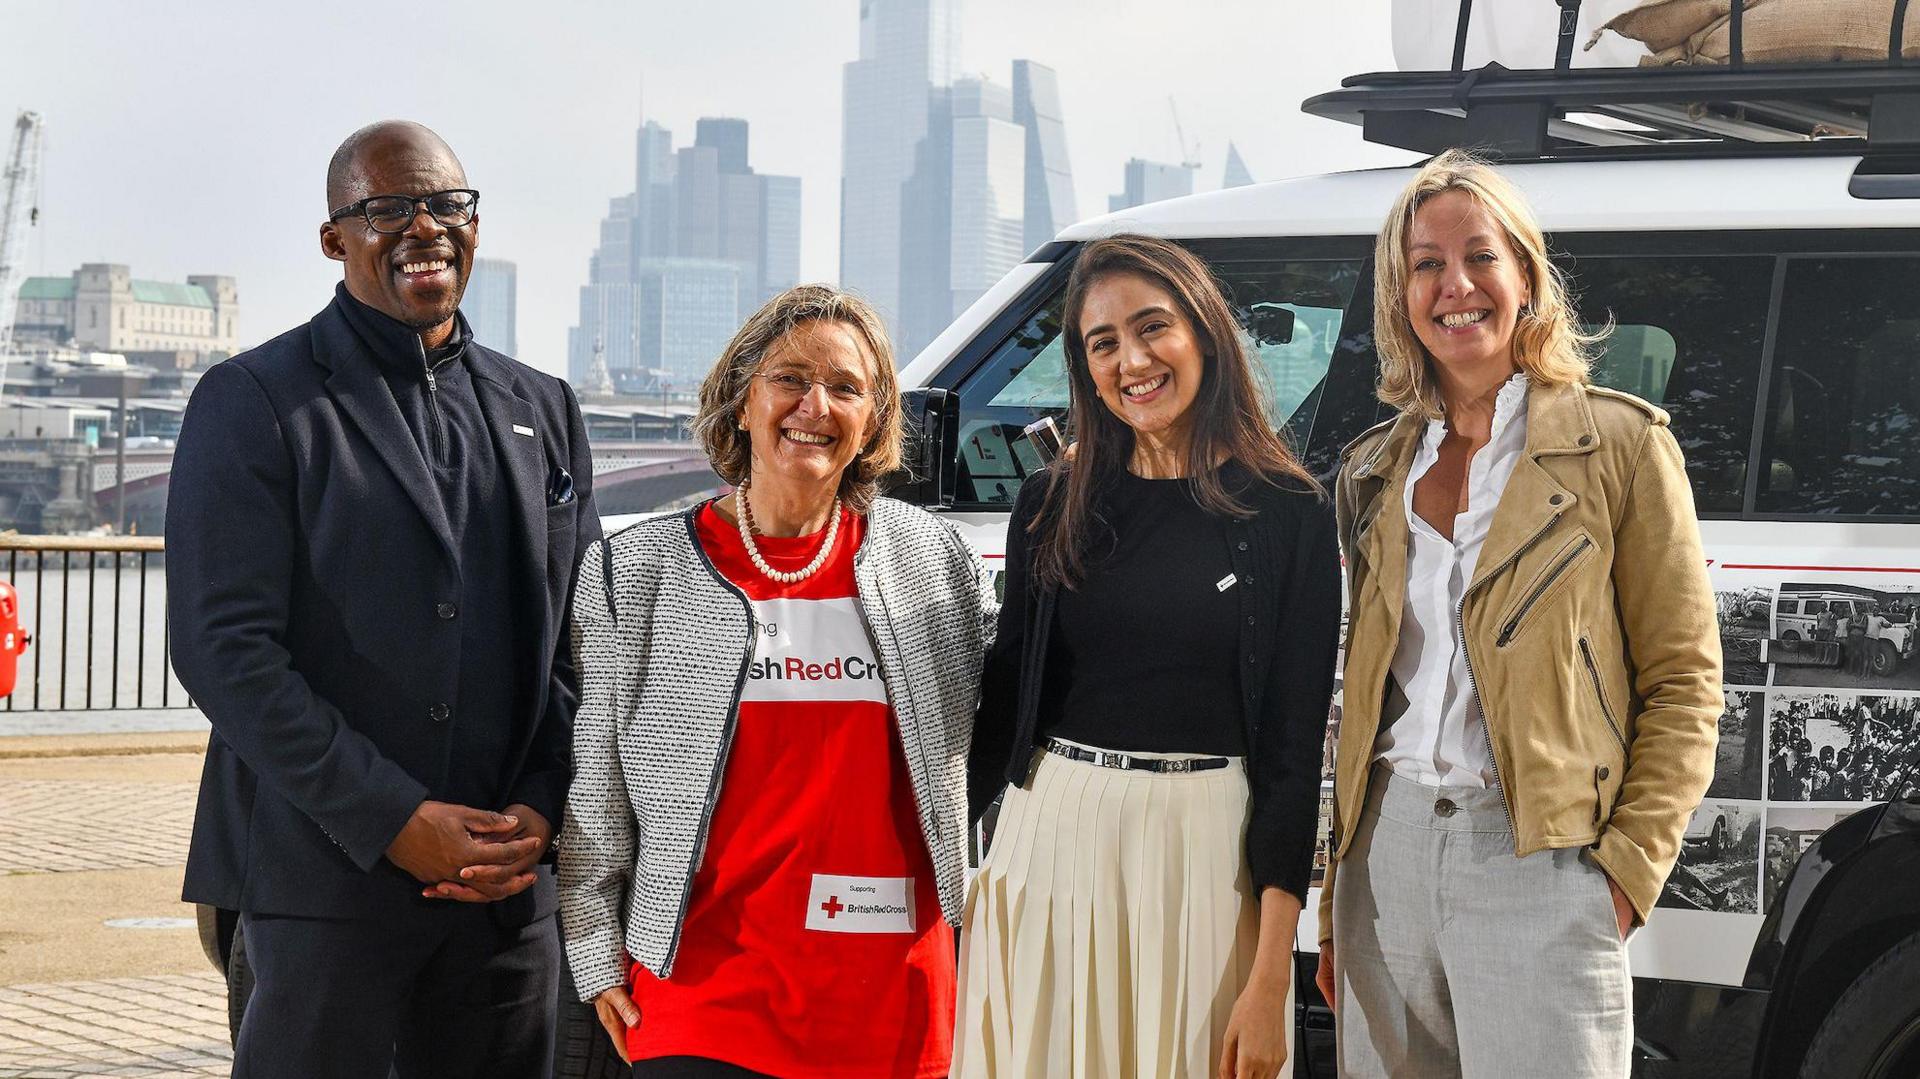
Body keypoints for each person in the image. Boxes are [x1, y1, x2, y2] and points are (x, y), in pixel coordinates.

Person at [167, 120, 599, 1077]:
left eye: (448, 203)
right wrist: (393, 818)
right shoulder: (256, 399)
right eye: (388, 208)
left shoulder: (545, 409)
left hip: (505, 892)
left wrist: (540, 808)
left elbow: (583, 643)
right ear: (335, 238)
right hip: (322, 880)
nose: (426, 227)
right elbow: (220, 646)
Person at [1315, 149, 1722, 1077]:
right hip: (1387, 857)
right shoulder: (1373, 470)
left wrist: (1620, 876)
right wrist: (1340, 890)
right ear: (1400, 295)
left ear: (1527, 275)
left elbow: (1686, 679)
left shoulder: (1620, 446)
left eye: (1480, 257)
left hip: (1540, 855)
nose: (1454, 285)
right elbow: (1362, 692)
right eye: (1425, 264)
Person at [557, 285, 995, 1078]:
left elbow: (993, 744)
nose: (814, 404)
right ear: (742, 399)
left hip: (892, 998)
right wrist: (593, 950)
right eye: (790, 376)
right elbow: (598, 786)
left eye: (847, 387)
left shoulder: (934, 563)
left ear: (873, 421)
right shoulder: (639, 567)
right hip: (703, 992)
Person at [959, 234, 1341, 1079]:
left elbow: (1291, 754)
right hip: (1050, 840)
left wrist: (1273, 970)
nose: (1131, 359)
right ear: (1086, 367)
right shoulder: (1049, 499)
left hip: (1207, 856)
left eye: (1152, 327)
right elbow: (999, 710)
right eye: (1103, 343)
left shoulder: (1291, 513)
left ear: (1203, 332)